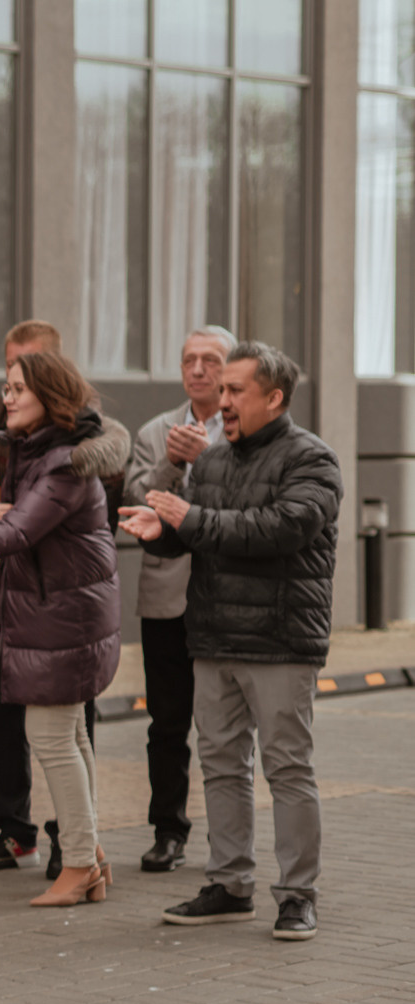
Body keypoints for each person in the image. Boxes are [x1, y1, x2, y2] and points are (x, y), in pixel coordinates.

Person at [118, 343, 339, 942]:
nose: (223, 400)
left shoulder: (312, 459)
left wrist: (187, 520)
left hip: (280, 641)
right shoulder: (211, 464)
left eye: (236, 390)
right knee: (220, 765)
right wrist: (158, 534)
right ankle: (230, 883)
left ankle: (297, 895)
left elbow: (280, 528)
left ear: (275, 397)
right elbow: (196, 536)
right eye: (224, 390)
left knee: (287, 767)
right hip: (213, 637)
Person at [0, 351, 122, 908]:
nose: (7, 397)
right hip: (60, 616)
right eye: (6, 387)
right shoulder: (40, 454)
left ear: (50, 398)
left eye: (18, 389)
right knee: (71, 737)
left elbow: (9, 538)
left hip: (60, 622)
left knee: (51, 740)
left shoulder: (63, 464)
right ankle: (91, 856)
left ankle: (82, 863)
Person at [122, 326, 237, 874]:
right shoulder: (156, 429)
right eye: (189, 359)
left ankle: (229, 838)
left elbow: (250, 493)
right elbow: (134, 499)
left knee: (224, 726)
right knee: (166, 723)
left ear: (231, 368)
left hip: (227, 595)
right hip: (166, 595)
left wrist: (209, 456)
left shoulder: (245, 431)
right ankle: (168, 830)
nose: (198, 370)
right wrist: (171, 462)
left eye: (210, 360)